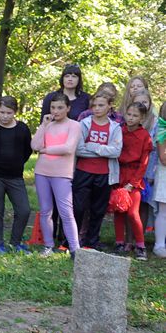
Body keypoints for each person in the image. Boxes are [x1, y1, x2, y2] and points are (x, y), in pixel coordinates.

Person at [40, 64, 90, 248]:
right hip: (49, 157)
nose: (70, 79)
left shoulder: (85, 99)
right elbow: (43, 127)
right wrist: (46, 148)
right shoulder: (51, 98)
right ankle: (49, 239)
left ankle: (69, 240)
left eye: (74, 76)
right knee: (48, 204)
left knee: (68, 202)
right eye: (67, 75)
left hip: (74, 155)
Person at [32, 92, 81, 257]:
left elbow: (68, 148)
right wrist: (43, 126)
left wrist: (46, 150)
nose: (56, 111)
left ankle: (75, 249)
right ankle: (48, 245)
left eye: (60, 107)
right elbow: (35, 145)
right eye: (53, 107)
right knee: (46, 211)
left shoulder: (74, 125)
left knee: (66, 212)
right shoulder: (48, 125)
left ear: (68, 108)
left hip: (62, 174)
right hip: (42, 172)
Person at [73, 90, 122, 250]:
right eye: (94, 105)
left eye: (101, 105)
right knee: (78, 207)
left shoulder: (115, 127)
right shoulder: (84, 124)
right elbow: (79, 149)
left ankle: (91, 242)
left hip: (104, 174)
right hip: (83, 171)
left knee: (98, 210)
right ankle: (72, 240)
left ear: (109, 106)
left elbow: (116, 151)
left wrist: (94, 147)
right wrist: (104, 150)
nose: (97, 108)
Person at [0, 96, 32, 254]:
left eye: (9, 112)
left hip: (15, 177)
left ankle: (15, 241)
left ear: (15, 112)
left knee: (24, 209)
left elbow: (27, 151)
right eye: (2, 112)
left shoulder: (22, 129)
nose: (5, 116)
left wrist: (16, 163)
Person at [113, 102, 152, 260]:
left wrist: (133, 183)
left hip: (134, 176)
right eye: (129, 114)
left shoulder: (144, 136)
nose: (131, 118)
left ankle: (140, 246)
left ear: (142, 117)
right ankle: (119, 243)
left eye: (135, 115)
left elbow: (144, 163)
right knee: (117, 210)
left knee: (132, 212)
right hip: (118, 174)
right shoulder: (119, 131)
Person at [153, 104, 166, 257]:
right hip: (164, 173)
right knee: (163, 211)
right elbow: (163, 158)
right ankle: (159, 245)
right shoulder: (163, 130)